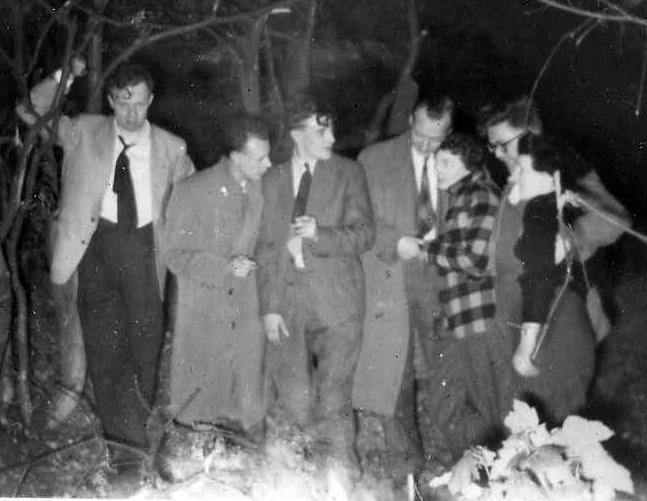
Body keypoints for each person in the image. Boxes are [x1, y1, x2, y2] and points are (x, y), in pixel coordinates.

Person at [16, 62, 196, 471]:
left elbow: (194, 198)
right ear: (112, 101)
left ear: (151, 100)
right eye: (123, 103)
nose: (132, 114)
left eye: (140, 104)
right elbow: (30, 109)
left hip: (145, 252)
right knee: (104, 349)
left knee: (146, 346)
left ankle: (137, 432)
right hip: (93, 250)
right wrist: (66, 74)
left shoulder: (173, 148)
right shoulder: (82, 130)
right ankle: (125, 451)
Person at [479, 96, 629, 423]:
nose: (499, 154)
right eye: (493, 147)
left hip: (565, 310)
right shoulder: (511, 176)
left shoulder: (567, 169)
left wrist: (573, 240)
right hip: (516, 313)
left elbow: (616, 219)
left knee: (558, 410)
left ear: (531, 134)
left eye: (503, 145)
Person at [255, 96, 375, 481]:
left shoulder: (349, 172)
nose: (333, 138)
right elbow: (266, 248)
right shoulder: (271, 180)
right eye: (322, 131)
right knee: (293, 401)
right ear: (296, 134)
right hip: (288, 304)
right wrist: (269, 307)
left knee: (334, 400)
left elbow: (365, 234)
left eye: (332, 129)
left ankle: (341, 483)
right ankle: (302, 482)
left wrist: (319, 234)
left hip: (338, 305)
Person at [352, 91, 454, 473]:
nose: (426, 147)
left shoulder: (457, 161)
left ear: (449, 134)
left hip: (439, 280)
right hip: (390, 274)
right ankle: (406, 463)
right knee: (396, 372)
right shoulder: (374, 159)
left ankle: (457, 455)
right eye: (420, 136)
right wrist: (395, 240)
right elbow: (359, 219)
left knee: (447, 369)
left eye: (436, 140)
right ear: (411, 121)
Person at [163, 115, 271, 439]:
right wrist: (224, 268)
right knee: (200, 398)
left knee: (248, 395)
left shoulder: (263, 191)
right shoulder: (192, 191)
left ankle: (247, 445)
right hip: (205, 310)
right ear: (235, 157)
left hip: (248, 309)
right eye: (260, 158)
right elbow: (175, 255)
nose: (268, 164)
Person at [424, 133, 506, 456]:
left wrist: (427, 250)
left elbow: (476, 259)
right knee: (444, 401)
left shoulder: (482, 195)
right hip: (459, 319)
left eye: (446, 163)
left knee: (485, 403)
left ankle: (490, 471)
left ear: (469, 165)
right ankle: (470, 469)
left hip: (479, 320)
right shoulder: (461, 197)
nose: (437, 169)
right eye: (436, 163)